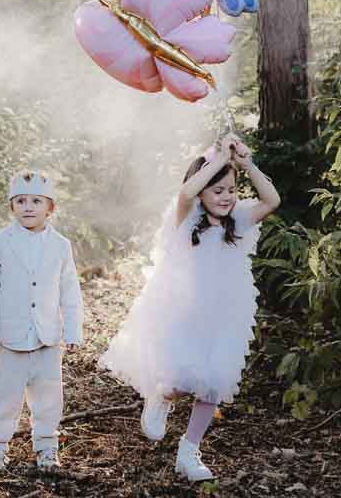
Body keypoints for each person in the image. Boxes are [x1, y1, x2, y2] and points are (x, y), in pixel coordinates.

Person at [99, 133, 280, 481]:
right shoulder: (185, 218)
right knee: (182, 379)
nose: (227, 197)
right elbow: (185, 192)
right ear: (202, 193)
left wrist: (246, 164)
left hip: (226, 313)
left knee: (213, 384)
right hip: (186, 311)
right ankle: (162, 397)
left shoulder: (239, 220)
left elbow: (272, 199)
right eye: (217, 190)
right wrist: (217, 158)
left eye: (231, 189)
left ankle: (189, 450)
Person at [0, 170, 83, 473]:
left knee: (49, 397)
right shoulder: (2, 240)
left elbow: (69, 289)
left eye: (36, 200)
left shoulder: (61, 245)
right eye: (20, 201)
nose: (28, 206)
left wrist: (73, 328)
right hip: (10, 336)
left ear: (51, 207)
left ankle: (47, 446)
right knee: (4, 395)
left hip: (46, 336)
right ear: (12, 206)